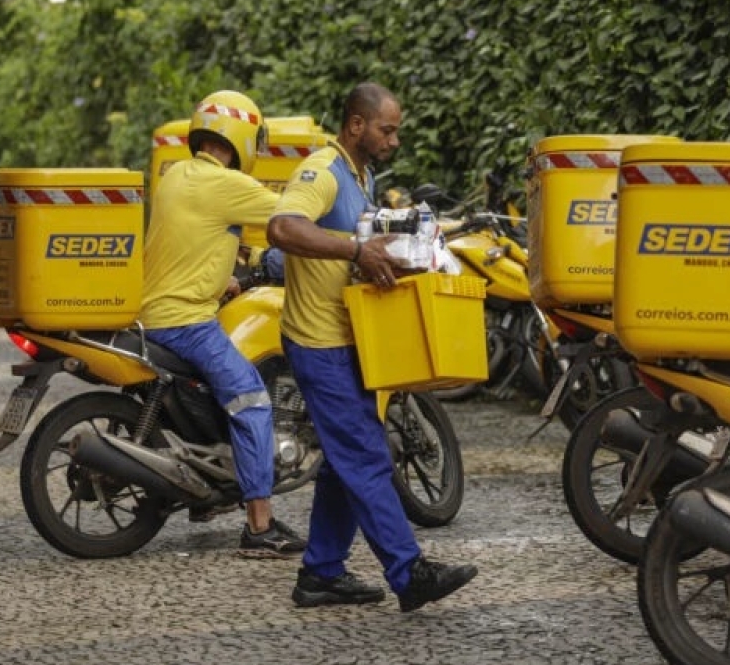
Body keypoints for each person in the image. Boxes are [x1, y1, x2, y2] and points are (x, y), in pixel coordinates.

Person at [266, 81, 478, 612]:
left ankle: (321, 572)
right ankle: (409, 574)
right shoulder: (322, 172)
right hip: (318, 341)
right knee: (364, 453)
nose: (395, 139)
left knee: (345, 460)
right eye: (388, 129)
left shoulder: (363, 176)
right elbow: (282, 227)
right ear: (356, 125)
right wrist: (357, 250)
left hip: (349, 337)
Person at [138, 89, 306, 559]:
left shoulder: (176, 176)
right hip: (186, 321)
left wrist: (227, 278)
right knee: (252, 401)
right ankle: (259, 527)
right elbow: (294, 219)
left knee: (219, 394)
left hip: (156, 312)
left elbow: (196, 240)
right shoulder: (225, 184)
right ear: (243, 136)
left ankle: (205, 497)